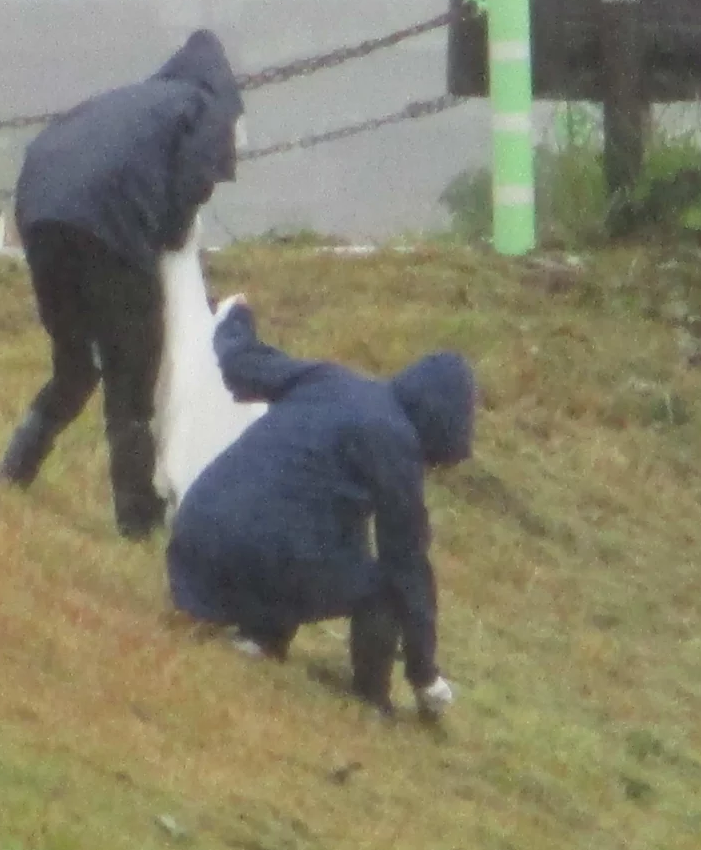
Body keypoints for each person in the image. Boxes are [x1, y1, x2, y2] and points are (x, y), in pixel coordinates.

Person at [165, 300, 475, 718]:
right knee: (382, 586)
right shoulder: (396, 443)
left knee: (317, 529)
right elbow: (406, 567)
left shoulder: (329, 380)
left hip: (196, 533)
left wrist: (236, 317)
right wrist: (424, 675)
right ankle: (370, 701)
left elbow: (241, 364)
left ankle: (256, 637)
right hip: (262, 556)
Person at [0, 29, 244, 538]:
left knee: (75, 362)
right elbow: (195, 178)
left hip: (40, 216)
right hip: (109, 223)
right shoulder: (206, 107)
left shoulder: (136, 101)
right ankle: (137, 519)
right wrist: (172, 234)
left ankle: (13, 469)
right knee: (130, 376)